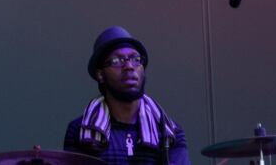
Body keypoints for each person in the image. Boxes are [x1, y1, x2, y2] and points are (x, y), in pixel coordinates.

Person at [64, 27, 190, 165]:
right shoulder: (80, 131)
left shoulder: (169, 132)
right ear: (100, 74)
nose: (129, 66)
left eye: (135, 59)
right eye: (117, 61)